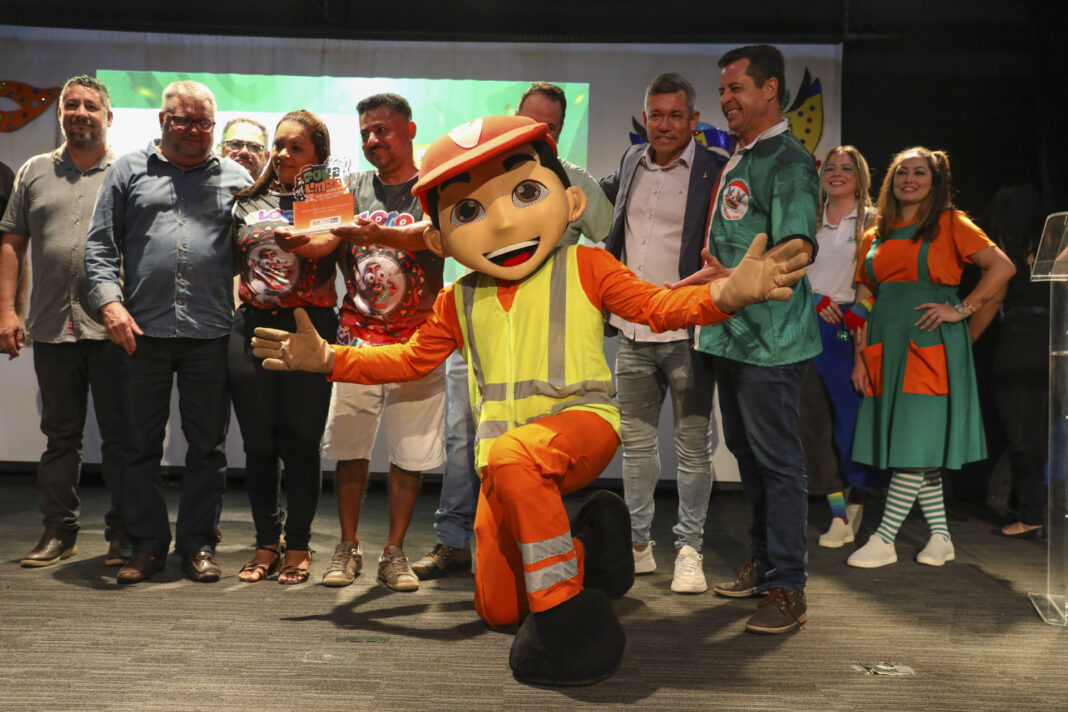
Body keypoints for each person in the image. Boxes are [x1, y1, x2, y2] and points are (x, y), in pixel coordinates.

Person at [251, 114, 808, 685]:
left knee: (530, 528)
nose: (500, 223)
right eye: (468, 212)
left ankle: (564, 613)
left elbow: (657, 308)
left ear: (568, 203)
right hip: (504, 461)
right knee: (497, 609)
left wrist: (725, 295)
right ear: (440, 239)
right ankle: (593, 535)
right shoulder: (457, 298)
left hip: (581, 427)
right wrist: (328, 359)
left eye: (525, 194)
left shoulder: (586, 264)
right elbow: (409, 360)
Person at [410, 80, 613, 581]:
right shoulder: (471, 176)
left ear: (558, 132)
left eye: (547, 127)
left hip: (547, 333)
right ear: (513, 116)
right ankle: (454, 540)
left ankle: (555, 555)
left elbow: (605, 234)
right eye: (527, 120)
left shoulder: (573, 181)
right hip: (483, 318)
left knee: (537, 450)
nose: (534, 130)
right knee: (466, 437)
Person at [85, 80, 253, 584]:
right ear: (163, 122)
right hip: (141, 331)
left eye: (204, 123)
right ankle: (148, 547)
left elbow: (261, 248)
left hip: (211, 332)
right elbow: (98, 248)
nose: (196, 131)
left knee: (208, 448)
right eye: (185, 120)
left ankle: (199, 545)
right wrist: (110, 305)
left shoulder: (238, 178)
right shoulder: (128, 170)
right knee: (138, 446)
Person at [687, 44, 820, 634]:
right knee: (748, 457)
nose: (726, 99)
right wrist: (718, 279)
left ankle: (789, 586)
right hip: (729, 335)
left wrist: (743, 276)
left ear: (771, 91)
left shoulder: (788, 160)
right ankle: (764, 562)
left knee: (778, 462)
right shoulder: (741, 156)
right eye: (722, 90)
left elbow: (797, 248)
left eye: (737, 88)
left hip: (771, 341)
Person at [845, 147, 1015, 568]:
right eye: (902, 172)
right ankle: (940, 538)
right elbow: (864, 296)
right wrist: (860, 357)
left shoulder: (950, 223)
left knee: (914, 445)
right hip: (886, 345)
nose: (909, 179)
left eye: (919, 173)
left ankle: (884, 539)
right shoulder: (876, 232)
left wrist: (961, 310)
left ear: (935, 182)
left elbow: (1003, 267)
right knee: (916, 446)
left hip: (930, 344)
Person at [599, 72, 726, 594]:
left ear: (694, 121)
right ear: (645, 117)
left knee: (694, 448)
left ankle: (690, 549)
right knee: (636, 447)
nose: (665, 125)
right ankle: (638, 545)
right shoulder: (632, 161)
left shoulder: (718, 169)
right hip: (632, 330)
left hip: (688, 330)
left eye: (676, 116)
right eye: (657, 115)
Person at [314, 93, 446, 592]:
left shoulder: (436, 187)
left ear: (410, 131)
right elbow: (320, 240)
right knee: (350, 449)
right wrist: (293, 240)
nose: (372, 140)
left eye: (383, 130)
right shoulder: (346, 187)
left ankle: (395, 552)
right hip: (357, 339)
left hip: (419, 341)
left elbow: (433, 239)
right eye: (366, 132)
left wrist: (381, 235)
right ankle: (347, 546)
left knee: (409, 453)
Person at [0, 75, 127, 568]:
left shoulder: (129, 172)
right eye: (71, 105)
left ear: (107, 117)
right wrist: (7, 310)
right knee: (60, 438)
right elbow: (12, 242)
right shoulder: (33, 171)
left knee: (121, 438)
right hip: (53, 327)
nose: (80, 113)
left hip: (116, 329)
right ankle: (59, 532)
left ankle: (122, 533)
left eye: (91, 106)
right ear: (60, 115)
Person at [229, 110, 339, 584]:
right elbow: (232, 261)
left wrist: (299, 240)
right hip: (251, 326)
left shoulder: (328, 199)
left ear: (318, 156)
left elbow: (327, 243)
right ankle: (265, 542)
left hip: (309, 327)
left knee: (300, 442)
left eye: (296, 147)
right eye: (279, 145)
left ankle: (298, 545)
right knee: (257, 444)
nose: (283, 154)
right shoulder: (246, 201)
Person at [799, 145, 886, 548]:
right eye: (830, 167)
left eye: (846, 167)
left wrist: (858, 315)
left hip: (852, 330)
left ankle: (860, 497)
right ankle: (837, 513)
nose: (837, 173)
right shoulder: (808, 219)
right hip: (808, 326)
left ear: (860, 175)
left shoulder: (872, 221)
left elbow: (882, 277)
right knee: (812, 424)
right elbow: (791, 271)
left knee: (851, 426)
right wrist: (813, 298)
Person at [986, 184, 1049, 540]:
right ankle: (1034, 509)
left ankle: (1032, 514)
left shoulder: (1008, 243)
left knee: (1024, 434)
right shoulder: (1048, 246)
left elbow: (995, 296)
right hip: (1049, 340)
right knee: (1035, 434)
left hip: (1021, 341)